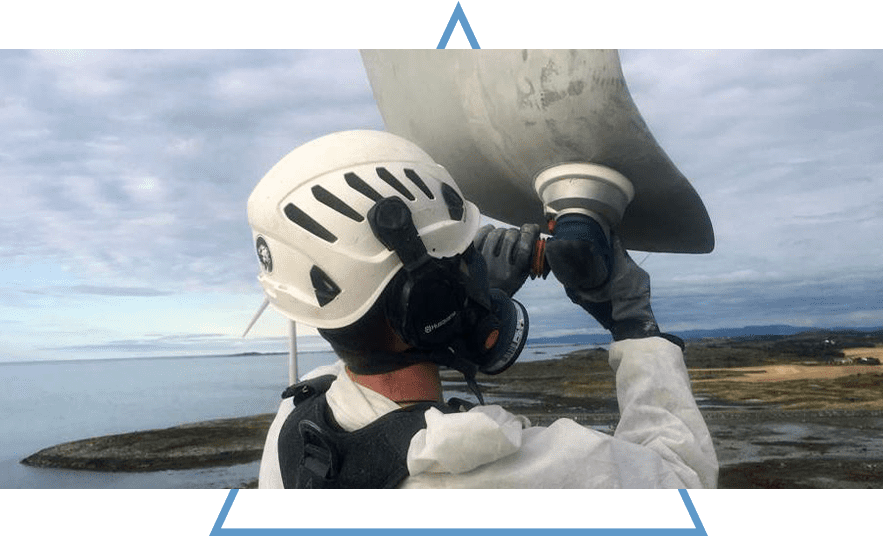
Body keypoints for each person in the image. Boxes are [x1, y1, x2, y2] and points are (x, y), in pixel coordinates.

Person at [249, 130, 718, 489]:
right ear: (427, 302)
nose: (475, 263)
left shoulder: (294, 426)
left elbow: (369, 349)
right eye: (465, 255)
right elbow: (684, 481)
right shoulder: (485, 467)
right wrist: (634, 326)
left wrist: (458, 296)